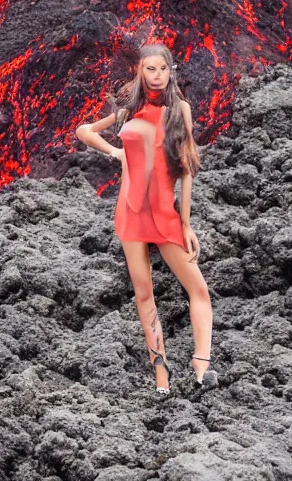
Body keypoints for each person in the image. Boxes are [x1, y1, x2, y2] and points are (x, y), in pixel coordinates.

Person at [75, 44, 214, 392]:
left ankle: (201, 366)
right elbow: (84, 131)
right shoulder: (126, 111)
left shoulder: (180, 110)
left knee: (198, 289)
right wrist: (116, 153)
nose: (156, 76)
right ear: (140, 72)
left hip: (165, 213)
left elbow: (186, 170)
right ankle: (161, 376)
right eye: (149, 69)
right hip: (131, 213)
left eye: (162, 69)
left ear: (171, 72)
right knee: (143, 294)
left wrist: (185, 223)